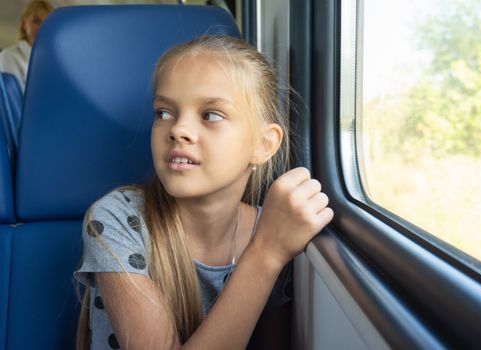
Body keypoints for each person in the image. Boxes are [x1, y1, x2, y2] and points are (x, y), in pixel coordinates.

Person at [74, 35, 333, 350]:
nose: (177, 129)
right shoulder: (114, 219)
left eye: (210, 115)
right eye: (163, 113)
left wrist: (270, 245)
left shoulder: (274, 228)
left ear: (263, 144)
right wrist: (266, 254)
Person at [0, 0, 53, 91]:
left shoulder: (52, 62)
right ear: (24, 23)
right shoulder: (9, 57)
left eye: (46, 23)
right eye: (36, 21)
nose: (41, 28)